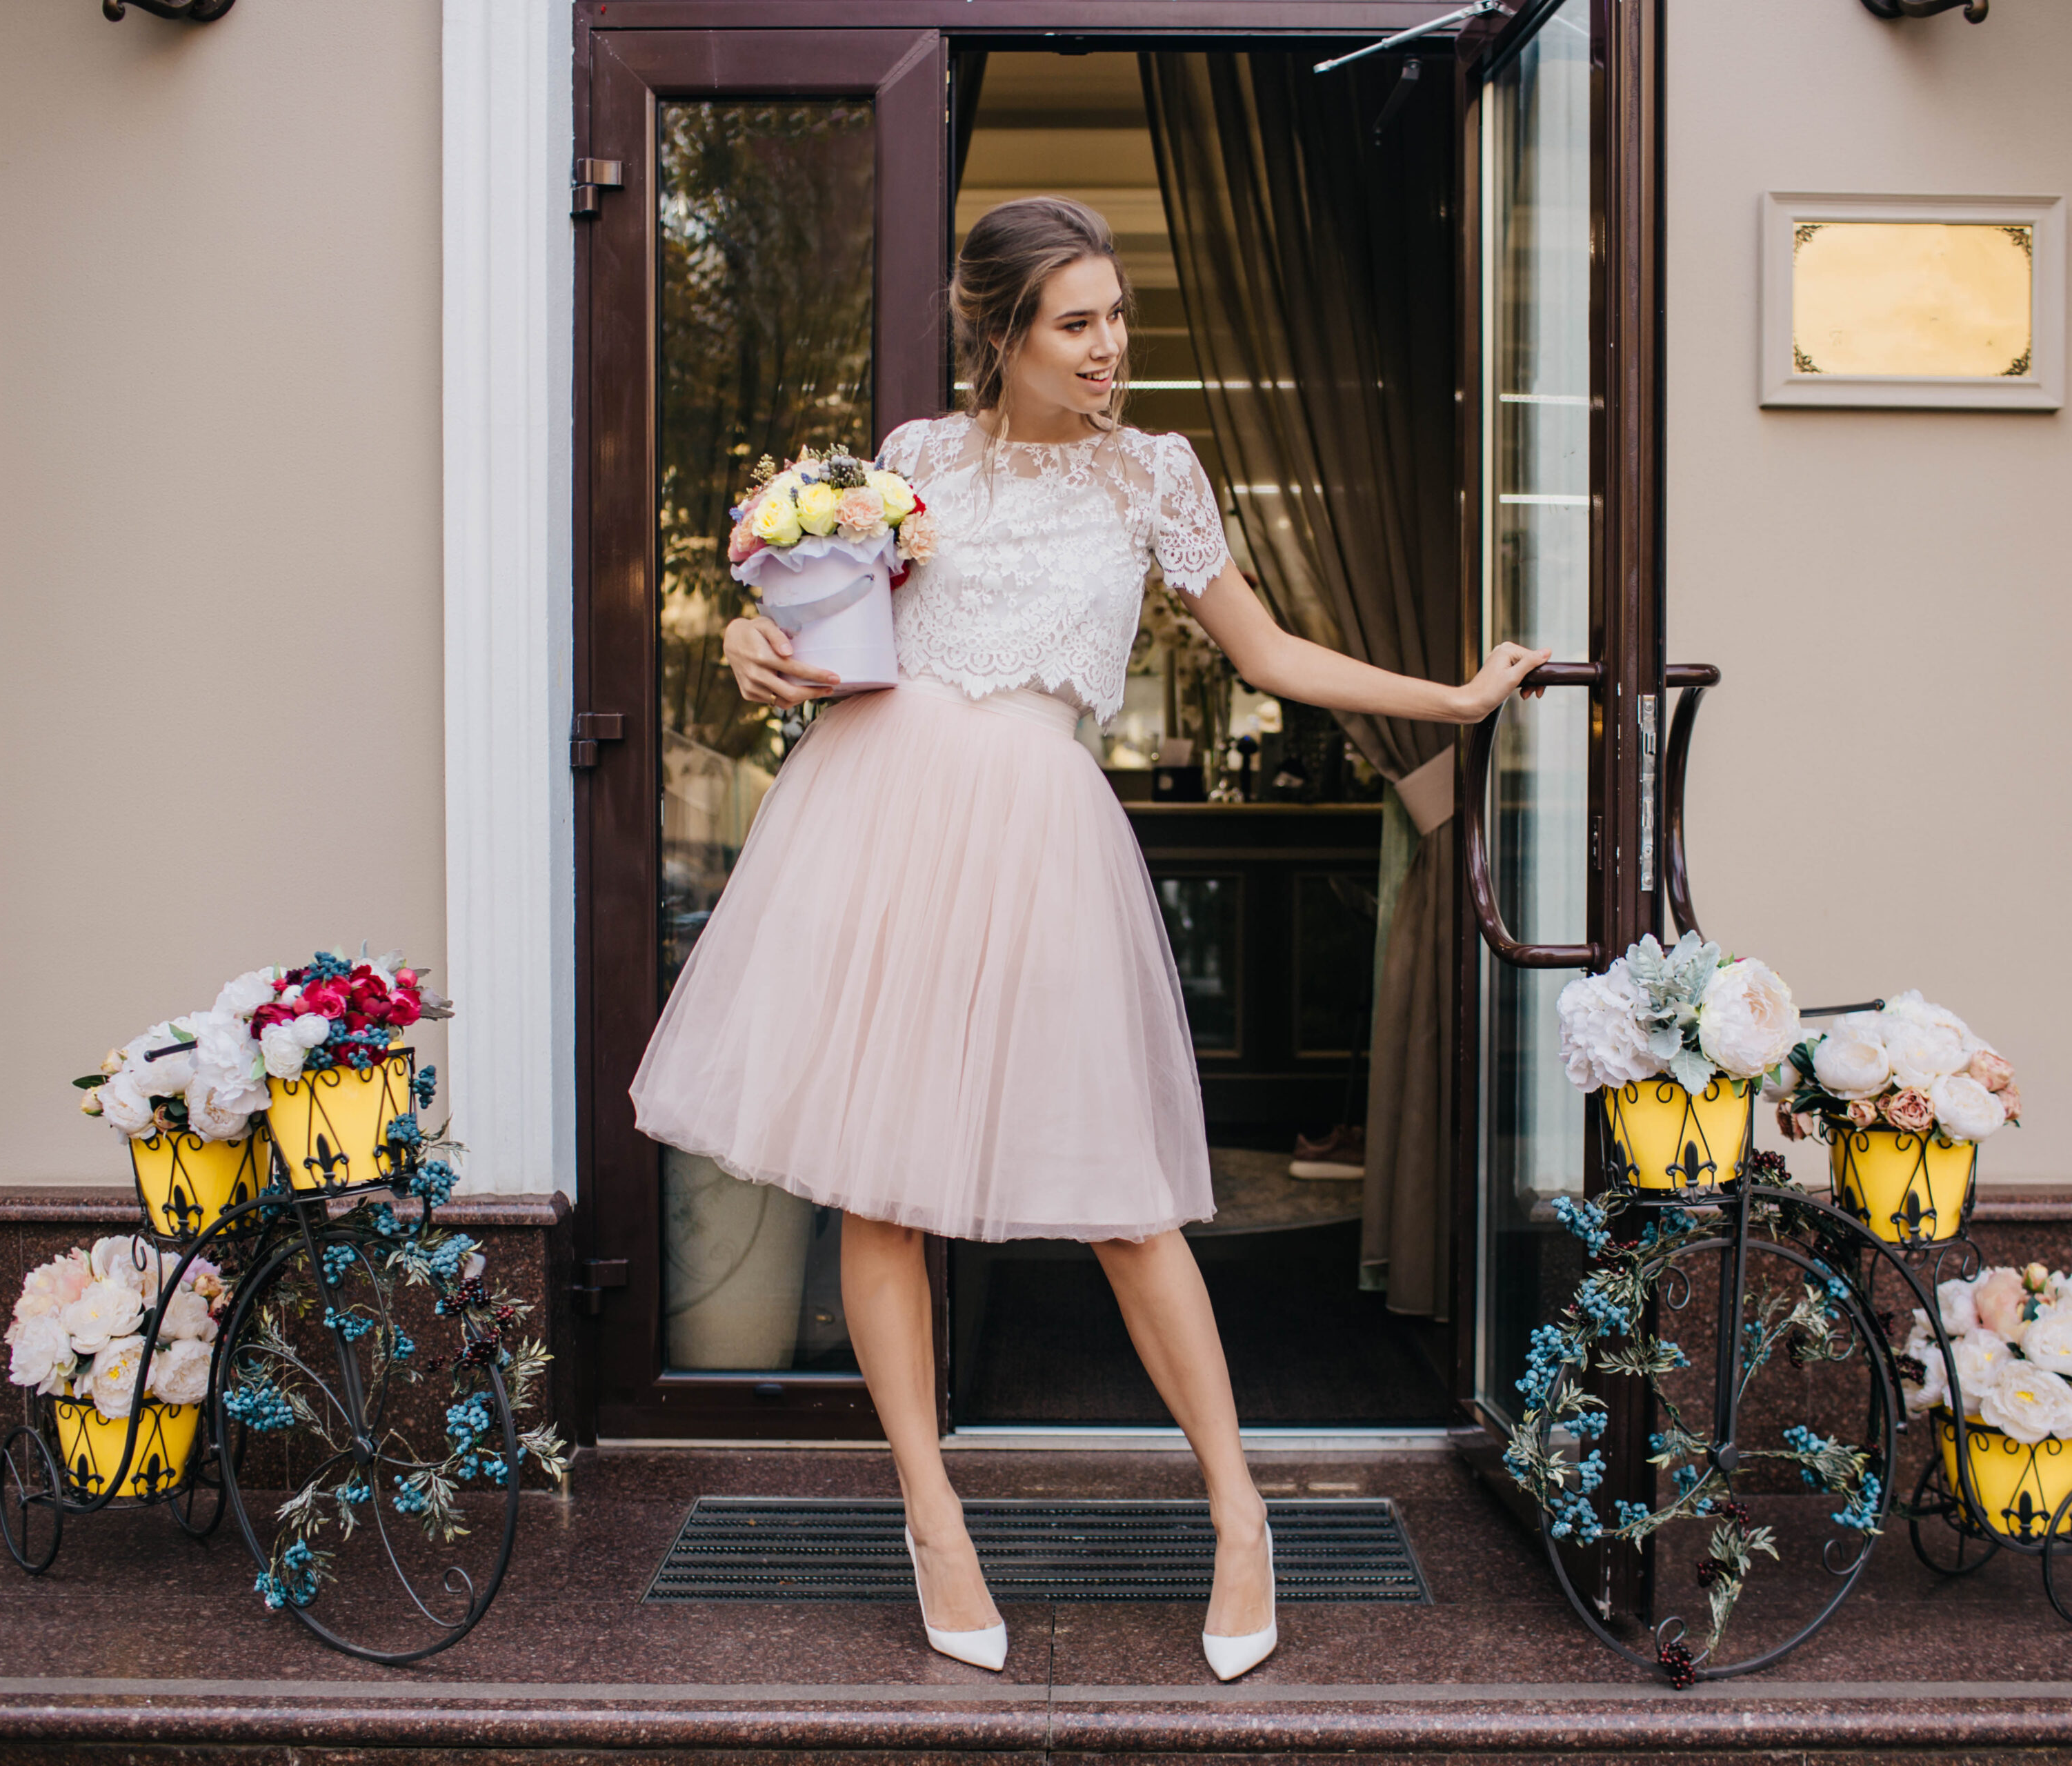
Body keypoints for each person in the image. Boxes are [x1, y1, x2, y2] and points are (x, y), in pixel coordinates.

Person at [630, 195, 1548, 1682]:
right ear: (1002, 333)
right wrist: (749, 647)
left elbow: (1263, 650)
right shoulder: (915, 463)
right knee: (883, 1191)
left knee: (1129, 1201)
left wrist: (1442, 702)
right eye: (1078, 323)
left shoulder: (1155, 475)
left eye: (1120, 317)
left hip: (1043, 834)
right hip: (877, 816)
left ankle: (1239, 1511)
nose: (1111, 346)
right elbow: (823, 642)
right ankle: (934, 1512)